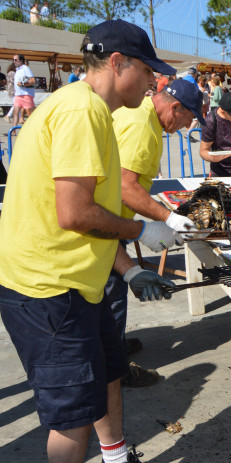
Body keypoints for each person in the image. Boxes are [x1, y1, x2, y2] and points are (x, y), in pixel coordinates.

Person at [0, 19, 181, 463]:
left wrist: (130, 268)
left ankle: (116, 456)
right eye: (148, 70)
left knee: (106, 375)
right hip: (47, 290)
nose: (154, 82)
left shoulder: (91, 108)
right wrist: (142, 229)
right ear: (117, 63)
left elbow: (86, 215)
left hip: (80, 281)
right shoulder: (83, 111)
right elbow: (76, 213)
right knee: (71, 420)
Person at [110, 79, 204, 387]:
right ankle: (115, 368)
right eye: (186, 121)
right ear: (175, 108)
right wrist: (167, 219)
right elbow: (125, 186)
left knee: (112, 296)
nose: (182, 128)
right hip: (107, 223)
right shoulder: (142, 127)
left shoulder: (138, 114)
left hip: (112, 221)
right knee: (110, 297)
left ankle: (114, 346)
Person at [12, 54, 36, 126]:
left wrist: (22, 84)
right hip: (18, 95)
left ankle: (34, 129)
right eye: (13, 60)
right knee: (15, 112)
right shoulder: (17, 70)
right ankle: (13, 131)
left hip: (26, 94)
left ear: (21, 60)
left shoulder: (25, 68)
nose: (14, 62)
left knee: (30, 113)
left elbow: (33, 81)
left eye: (16, 60)